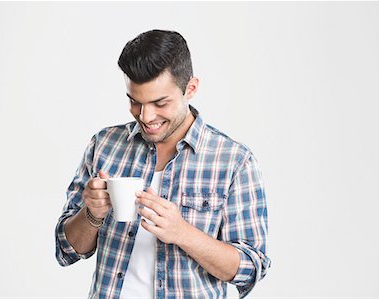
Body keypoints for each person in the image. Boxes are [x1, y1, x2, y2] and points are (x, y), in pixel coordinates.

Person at [55, 29, 270, 299]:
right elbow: (67, 250)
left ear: (190, 89)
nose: (145, 116)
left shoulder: (233, 161)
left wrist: (183, 233)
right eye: (135, 102)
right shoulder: (104, 145)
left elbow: (250, 268)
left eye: (160, 103)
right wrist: (92, 214)